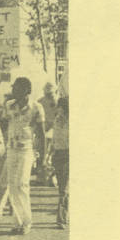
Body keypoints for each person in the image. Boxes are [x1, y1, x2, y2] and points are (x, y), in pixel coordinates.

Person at [3, 77, 45, 235]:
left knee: (22, 184)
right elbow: (5, 124)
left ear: (26, 90)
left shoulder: (36, 107)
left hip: (27, 150)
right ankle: (17, 222)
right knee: (12, 185)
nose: (13, 91)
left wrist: (42, 156)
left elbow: (40, 134)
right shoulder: (9, 105)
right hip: (11, 149)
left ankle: (27, 222)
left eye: (17, 88)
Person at [52, 96, 69, 228]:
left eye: (60, 107)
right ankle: (63, 217)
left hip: (67, 154)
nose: (58, 109)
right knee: (62, 188)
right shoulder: (57, 120)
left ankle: (61, 218)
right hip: (58, 154)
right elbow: (53, 139)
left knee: (64, 189)